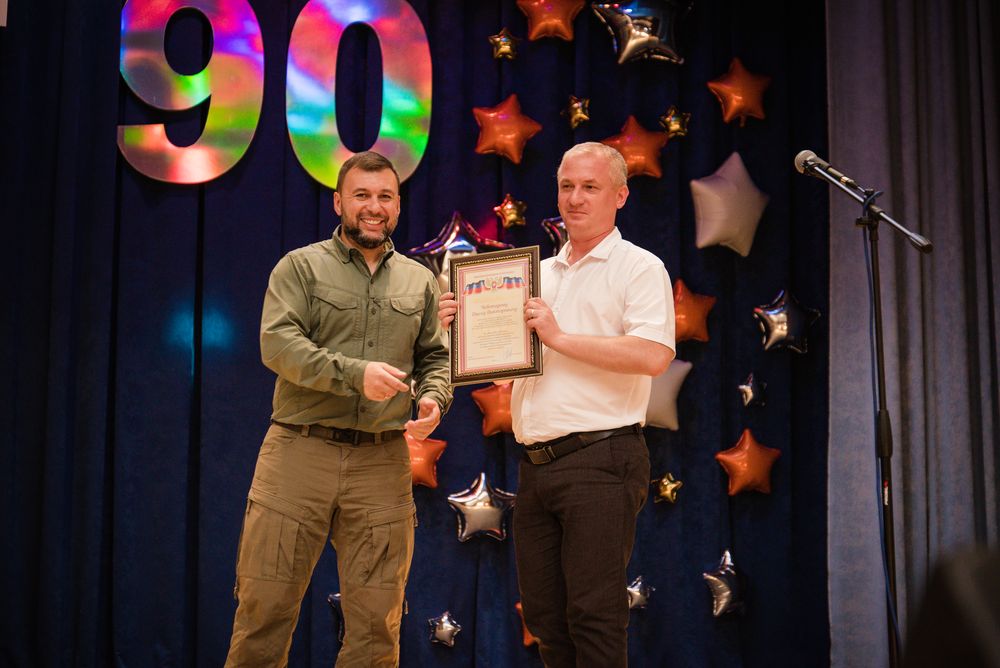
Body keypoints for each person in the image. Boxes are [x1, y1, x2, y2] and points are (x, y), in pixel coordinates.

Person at [439, 142, 675, 667]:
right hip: (537, 465)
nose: (575, 198)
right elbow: (502, 366)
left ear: (620, 195)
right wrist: (458, 330)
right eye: (567, 186)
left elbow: (653, 355)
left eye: (590, 187)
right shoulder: (534, 273)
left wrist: (560, 338)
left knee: (593, 615)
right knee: (546, 618)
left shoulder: (639, 267)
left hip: (602, 457)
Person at [226, 151, 452, 667]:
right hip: (298, 454)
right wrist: (355, 374)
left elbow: (435, 357)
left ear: (398, 205)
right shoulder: (300, 267)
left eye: (385, 196)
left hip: (382, 462)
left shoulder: (419, 280)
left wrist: (434, 397)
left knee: (376, 629)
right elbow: (278, 345)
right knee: (264, 613)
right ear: (338, 202)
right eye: (361, 195)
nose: (374, 207)